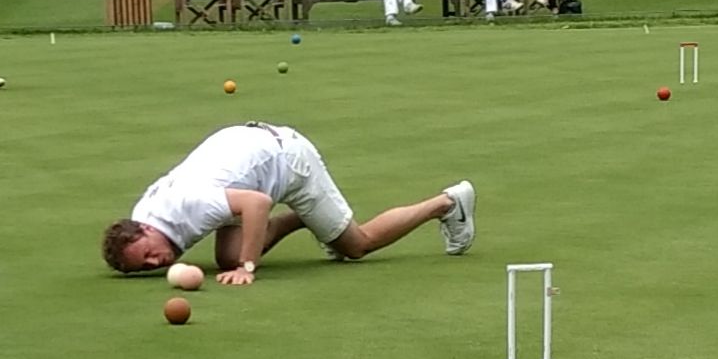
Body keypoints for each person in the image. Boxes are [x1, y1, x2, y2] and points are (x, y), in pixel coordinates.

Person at [101, 122, 475, 281]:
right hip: (244, 157)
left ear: (145, 230)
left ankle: (447, 203)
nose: (157, 263)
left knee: (356, 245)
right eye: (145, 267)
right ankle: (310, 220)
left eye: (149, 254)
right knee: (226, 258)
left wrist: (247, 267)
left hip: (288, 159)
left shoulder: (190, 205)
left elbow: (257, 204)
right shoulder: (142, 215)